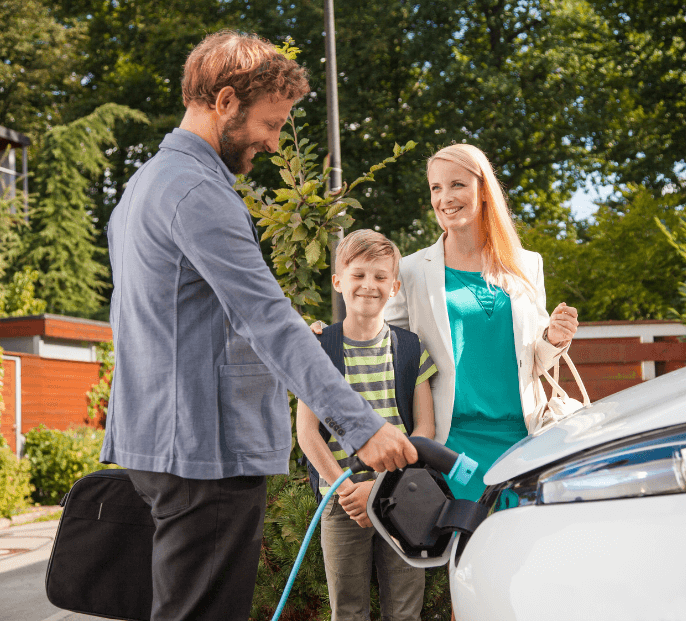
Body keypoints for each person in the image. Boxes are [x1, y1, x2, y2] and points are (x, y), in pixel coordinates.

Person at [101, 31, 416, 621]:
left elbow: (174, 315)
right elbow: (265, 318)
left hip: (160, 444)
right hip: (205, 453)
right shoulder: (200, 190)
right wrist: (359, 426)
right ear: (224, 102)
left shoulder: (142, 186)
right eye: (271, 124)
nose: (274, 143)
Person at [382, 143, 579, 501]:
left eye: (457, 184)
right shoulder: (410, 271)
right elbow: (384, 347)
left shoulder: (526, 264)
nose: (445, 198)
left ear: (483, 190)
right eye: (436, 188)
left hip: (525, 441)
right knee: (463, 553)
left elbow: (535, 359)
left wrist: (553, 337)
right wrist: (330, 335)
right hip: (451, 447)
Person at [296, 229, 437, 621]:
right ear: (339, 281)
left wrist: (380, 484)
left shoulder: (411, 348)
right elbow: (307, 434)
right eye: (358, 275)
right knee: (349, 611)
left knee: (406, 609)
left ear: (393, 287)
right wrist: (345, 487)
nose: (368, 285)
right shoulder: (318, 347)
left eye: (379, 277)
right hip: (343, 501)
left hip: (400, 495)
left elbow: (424, 429)